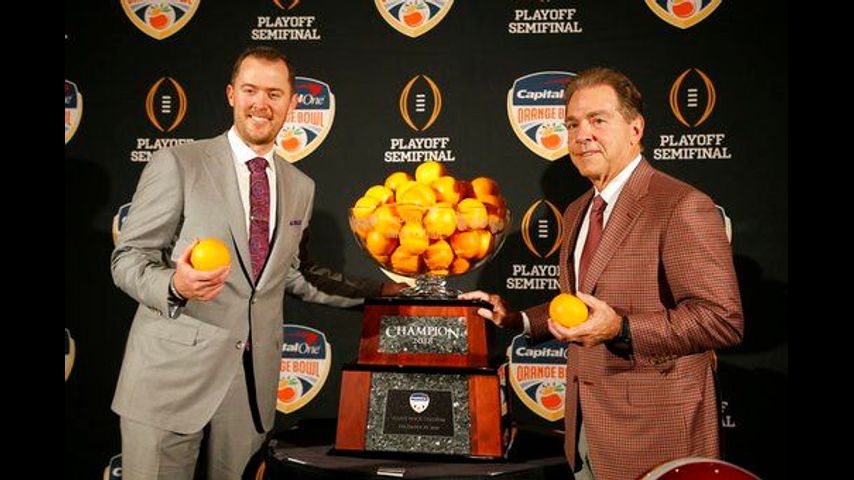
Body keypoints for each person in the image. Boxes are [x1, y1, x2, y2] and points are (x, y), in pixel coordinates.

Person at [111, 46, 403, 480]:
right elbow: (128, 258)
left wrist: (384, 293)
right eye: (250, 90)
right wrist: (175, 285)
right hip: (168, 381)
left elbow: (295, 275)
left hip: (248, 390)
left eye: (274, 93)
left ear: (292, 103)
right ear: (232, 94)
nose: (260, 104)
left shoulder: (300, 186)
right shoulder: (179, 163)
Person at [461, 67, 743, 480]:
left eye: (598, 120)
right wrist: (517, 320)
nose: (582, 135)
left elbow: (722, 320)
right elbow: (582, 305)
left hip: (655, 433)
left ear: (635, 129)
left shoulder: (681, 205)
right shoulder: (579, 209)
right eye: (573, 124)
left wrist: (623, 329)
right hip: (584, 430)